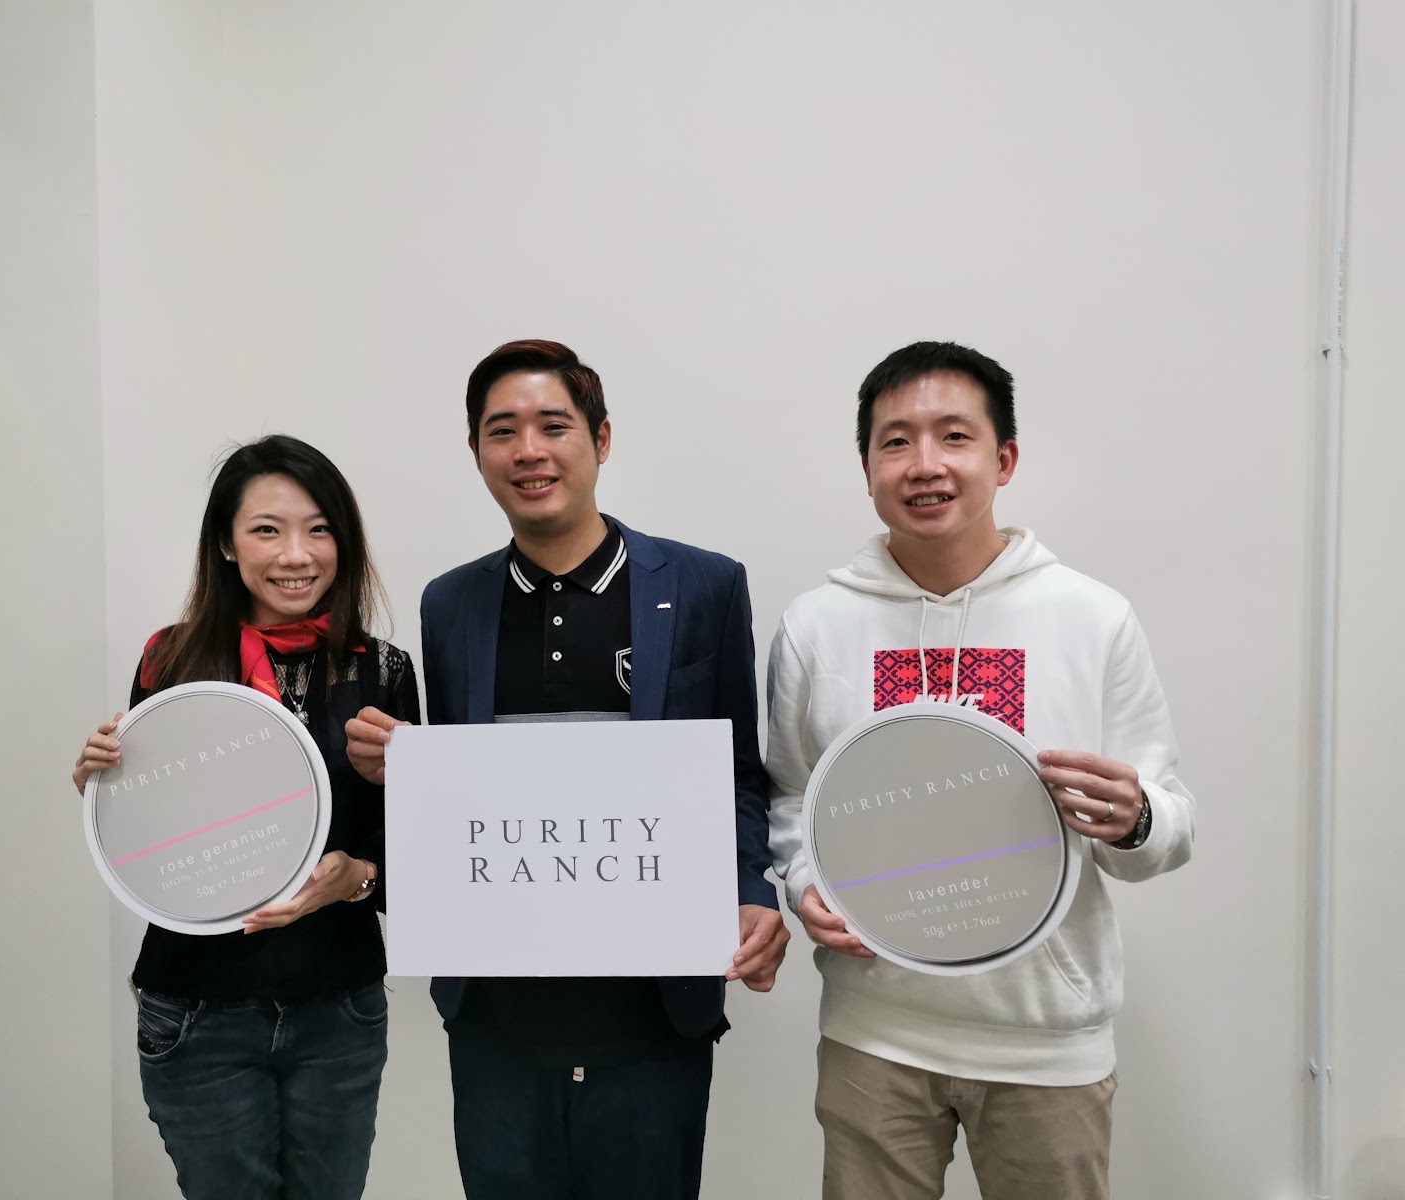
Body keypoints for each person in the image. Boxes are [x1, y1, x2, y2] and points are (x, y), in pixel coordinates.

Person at [345, 339, 788, 1200]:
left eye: (553, 426)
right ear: (475, 451)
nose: (529, 451)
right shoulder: (451, 602)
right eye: (502, 431)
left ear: (601, 439)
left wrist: (751, 894)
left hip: (655, 1002)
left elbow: (735, 774)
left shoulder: (703, 584)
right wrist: (403, 770)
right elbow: (464, 796)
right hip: (497, 1010)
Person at [766, 341, 1196, 1200]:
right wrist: (808, 882)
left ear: (1004, 460)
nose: (925, 464)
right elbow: (792, 794)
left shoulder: (1092, 618)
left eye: (954, 436)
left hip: (1047, 1044)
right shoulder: (815, 626)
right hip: (874, 1033)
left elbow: (1169, 826)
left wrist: (1137, 817)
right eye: (896, 441)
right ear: (867, 467)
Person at [72, 434, 419, 1200]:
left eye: (319, 529)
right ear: (227, 544)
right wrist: (102, 788)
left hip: (339, 1007)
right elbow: (154, 831)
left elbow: (418, 855)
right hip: (198, 1008)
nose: (296, 554)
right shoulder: (172, 661)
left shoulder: (383, 671)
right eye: (267, 529)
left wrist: (358, 875)